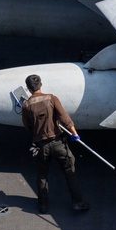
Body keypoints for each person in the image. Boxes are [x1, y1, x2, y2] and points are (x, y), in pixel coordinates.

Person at [20, 74, 89, 213]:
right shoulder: (51, 98)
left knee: (42, 175)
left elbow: (27, 127)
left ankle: (43, 206)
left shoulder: (26, 105)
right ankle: (77, 203)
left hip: (40, 146)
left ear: (28, 88)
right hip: (58, 143)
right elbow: (65, 119)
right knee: (70, 172)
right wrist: (74, 134)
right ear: (41, 84)